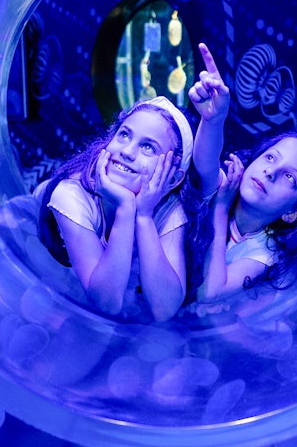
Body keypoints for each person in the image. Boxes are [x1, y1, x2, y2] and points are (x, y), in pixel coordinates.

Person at [186, 43, 297, 304]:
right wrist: (214, 118)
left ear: (293, 213)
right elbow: (206, 163)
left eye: (290, 178)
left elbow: (210, 293)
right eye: (270, 157)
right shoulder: (228, 185)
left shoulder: (264, 252)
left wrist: (220, 209)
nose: (271, 172)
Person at [36, 96, 194, 322]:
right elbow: (107, 302)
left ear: (173, 179)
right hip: (30, 236)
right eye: (124, 134)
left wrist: (144, 216)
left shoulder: (168, 208)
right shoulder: (71, 194)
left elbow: (164, 308)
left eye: (148, 147)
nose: (127, 151)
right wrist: (126, 208)